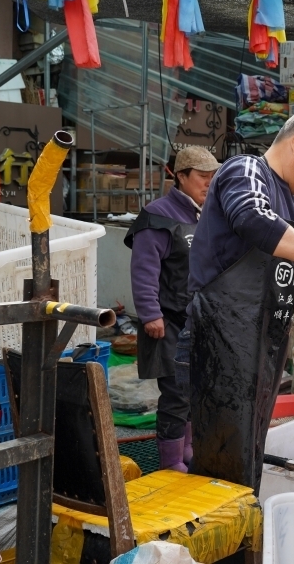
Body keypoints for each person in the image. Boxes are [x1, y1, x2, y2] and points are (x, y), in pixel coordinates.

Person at [185, 108, 294, 492]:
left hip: (267, 339)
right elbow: (252, 217)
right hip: (223, 334)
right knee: (223, 448)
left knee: (251, 443)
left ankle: (246, 525)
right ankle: (223, 539)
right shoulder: (246, 171)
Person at [125, 146, 220, 472]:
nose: (209, 183)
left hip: (198, 320)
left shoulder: (208, 213)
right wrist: (150, 314)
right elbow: (144, 269)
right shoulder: (157, 216)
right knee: (176, 394)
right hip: (167, 321)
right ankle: (170, 462)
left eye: (213, 176)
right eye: (202, 176)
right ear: (180, 176)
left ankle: (188, 450)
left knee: (196, 390)